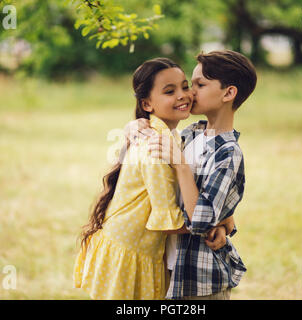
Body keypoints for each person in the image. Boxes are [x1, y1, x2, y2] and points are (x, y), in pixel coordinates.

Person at [73, 57, 229, 300]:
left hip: (140, 251)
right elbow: (168, 222)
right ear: (147, 104)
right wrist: (213, 226)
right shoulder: (156, 147)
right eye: (170, 91)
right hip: (129, 255)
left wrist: (225, 221)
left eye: (185, 86)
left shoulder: (175, 137)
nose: (183, 95)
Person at [126, 50, 257, 299]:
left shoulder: (228, 154)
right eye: (190, 84)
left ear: (228, 93)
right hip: (168, 270)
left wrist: (181, 164)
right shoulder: (190, 133)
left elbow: (200, 221)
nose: (189, 93)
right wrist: (133, 125)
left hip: (199, 280)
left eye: (200, 84)